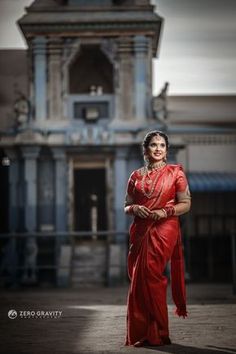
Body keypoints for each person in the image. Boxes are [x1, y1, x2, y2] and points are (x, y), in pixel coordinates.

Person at [124, 130, 191, 347]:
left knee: (151, 274)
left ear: (167, 150)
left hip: (165, 227)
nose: (158, 148)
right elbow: (126, 206)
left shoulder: (176, 173)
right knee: (138, 281)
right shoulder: (135, 176)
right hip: (141, 229)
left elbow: (186, 203)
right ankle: (143, 332)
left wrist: (164, 212)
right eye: (154, 145)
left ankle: (159, 332)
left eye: (162, 145)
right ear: (146, 149)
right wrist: (134, 208)